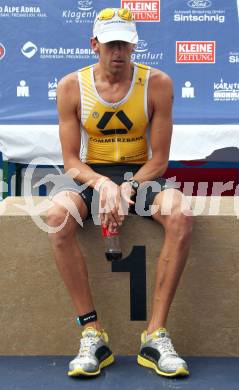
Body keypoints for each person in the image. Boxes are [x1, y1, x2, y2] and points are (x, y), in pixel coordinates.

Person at [47, 7, 193, 378]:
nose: (118, 52)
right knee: (56, 217)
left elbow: (159, 161)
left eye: (125, 44)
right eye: (111, 43)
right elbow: (69, 161)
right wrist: (102, 183)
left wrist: (127, 185)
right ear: (94, 44)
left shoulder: (158, 82)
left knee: (180, 213)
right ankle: (92, 334)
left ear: (134, 46)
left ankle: (155, 335)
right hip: (91, 175)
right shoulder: (71, 86)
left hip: (141, 174)